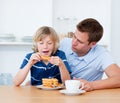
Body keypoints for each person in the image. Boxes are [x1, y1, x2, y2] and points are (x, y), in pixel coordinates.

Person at [59, 18, 120, 92]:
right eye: (74, 36)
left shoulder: (102, 54)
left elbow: (118, 78)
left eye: (80, 41)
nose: (74, 42)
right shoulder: (64, 43)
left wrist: (92, 85)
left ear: (92, 44)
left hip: (86, 96)